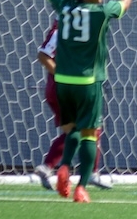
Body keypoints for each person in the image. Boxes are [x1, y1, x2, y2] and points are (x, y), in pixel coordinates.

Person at [30, 0, 137, 203]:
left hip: (62, 83)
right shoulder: (101, 11)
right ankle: (81, 187)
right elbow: (125, 4)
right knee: (90, 134)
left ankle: (64, 167)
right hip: (88, 82)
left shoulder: (64, 7)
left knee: (71, 130)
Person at [34, 13, 110, 191]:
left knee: (84, 129)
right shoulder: (62, 29)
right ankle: (58, 168)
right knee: (85, 128)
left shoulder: (75, 28)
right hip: (63, 89)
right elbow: (44, 55)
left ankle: (80, 171)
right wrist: (63, 76)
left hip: (65, 88)